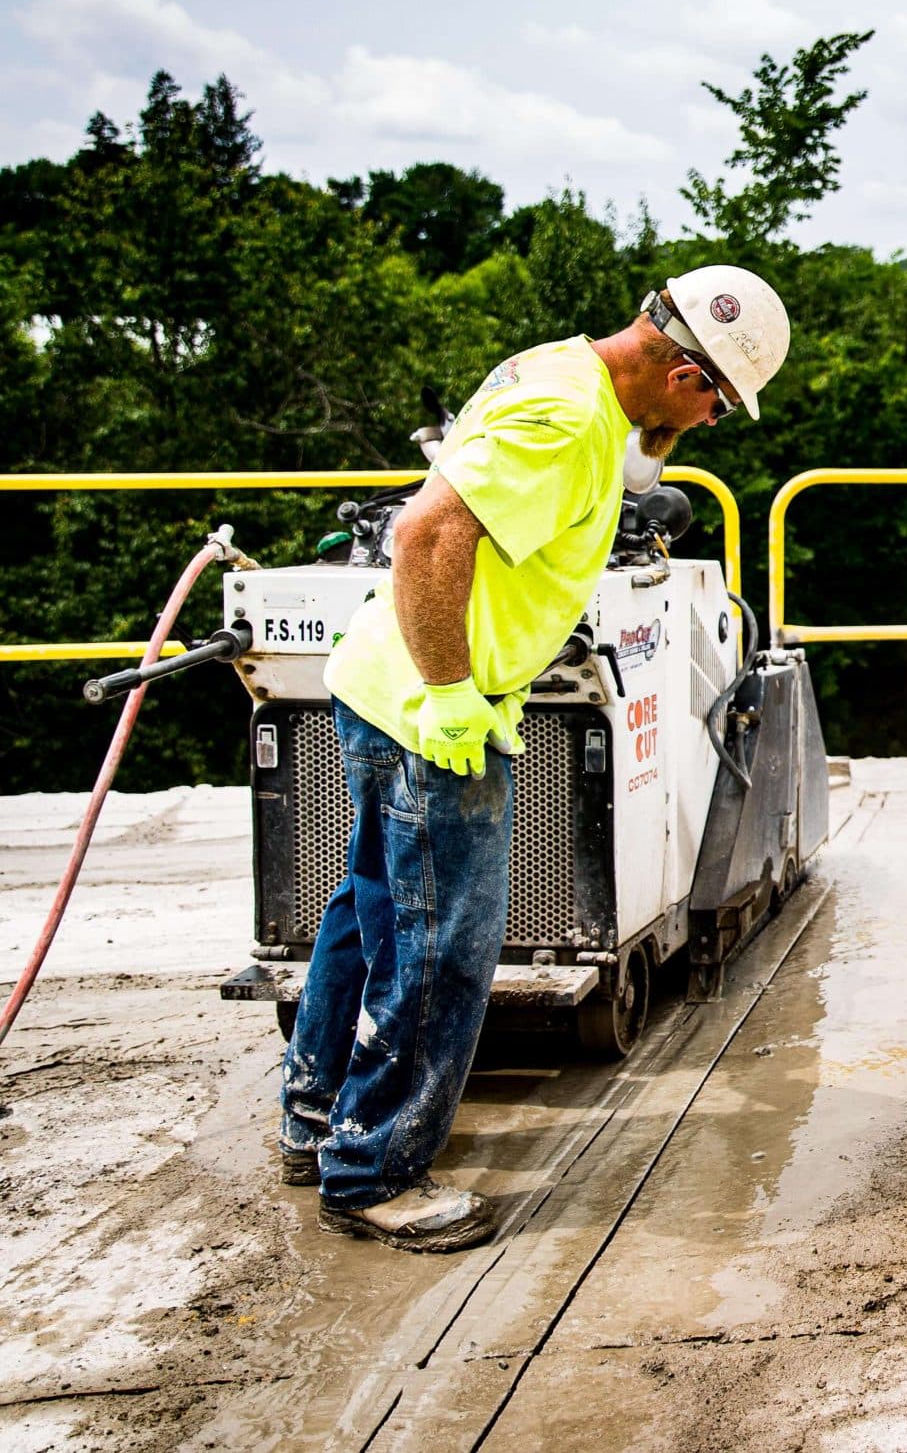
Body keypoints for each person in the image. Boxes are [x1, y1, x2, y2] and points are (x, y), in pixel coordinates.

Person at [282, 265, 789, 1252]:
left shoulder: (566, 373)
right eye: (720, 400)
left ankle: (317, 1118)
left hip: (381, 690)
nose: (718, 422)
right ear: (686, 371)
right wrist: (450, 689)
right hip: (433, 710)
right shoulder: (566, 420)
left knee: (370, 909)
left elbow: (521, 478)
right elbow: (427, 532)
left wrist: (646, 447)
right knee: (441, 952)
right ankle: (375, 1173)